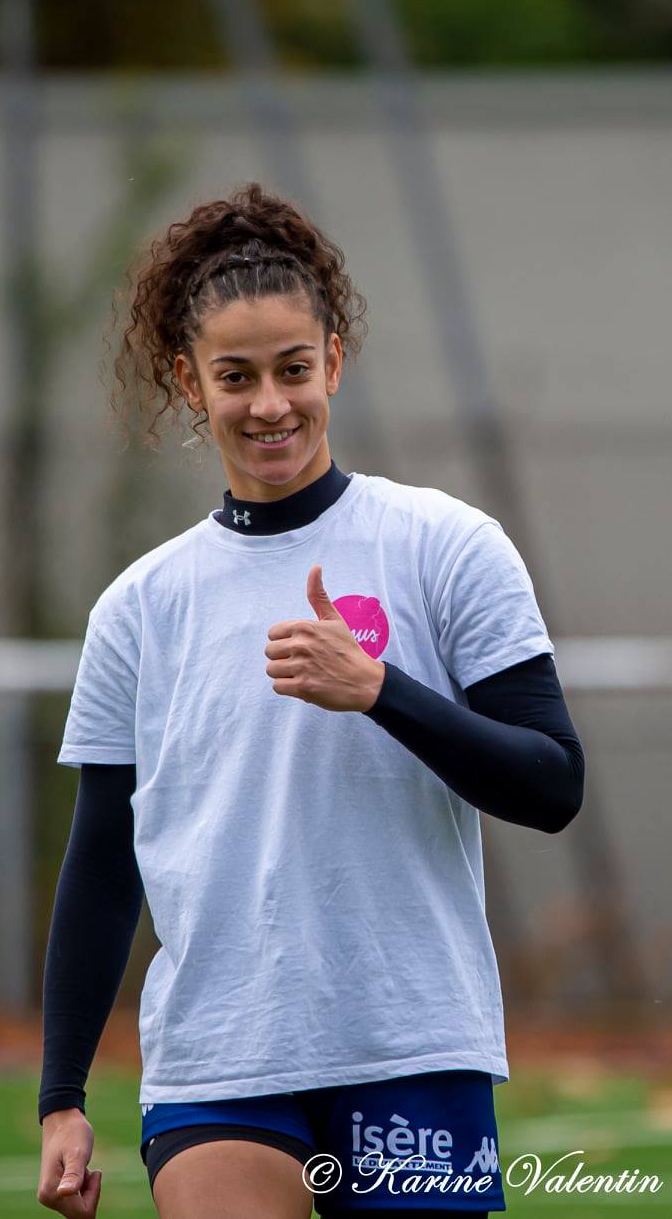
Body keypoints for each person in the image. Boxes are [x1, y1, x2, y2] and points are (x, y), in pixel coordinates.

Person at [35, 182, 585, 1219]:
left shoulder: (446, 546)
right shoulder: (139, 607)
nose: (269, 405)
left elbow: (553, 784)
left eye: (293, 369)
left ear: (334, 361)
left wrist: (380, 692)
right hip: (220, 1058)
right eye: (235, 377)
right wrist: (62, 1097)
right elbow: (104, 861)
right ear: (188, 382)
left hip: (413, 1042)